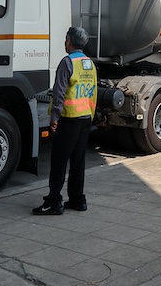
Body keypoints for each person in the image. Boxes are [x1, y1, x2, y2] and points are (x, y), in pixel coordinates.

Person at [32, 26, 97, 215]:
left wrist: (54, 118)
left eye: (66, 39)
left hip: (69, 118)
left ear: (69, 41)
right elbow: (93, 91)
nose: (64, 42)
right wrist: (91, 115)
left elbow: (59, 92)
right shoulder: (89, 63)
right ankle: (78, 199)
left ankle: (54, 202)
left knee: (59, 161)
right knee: (78, 161)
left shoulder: (67, 62)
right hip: (85, 117)